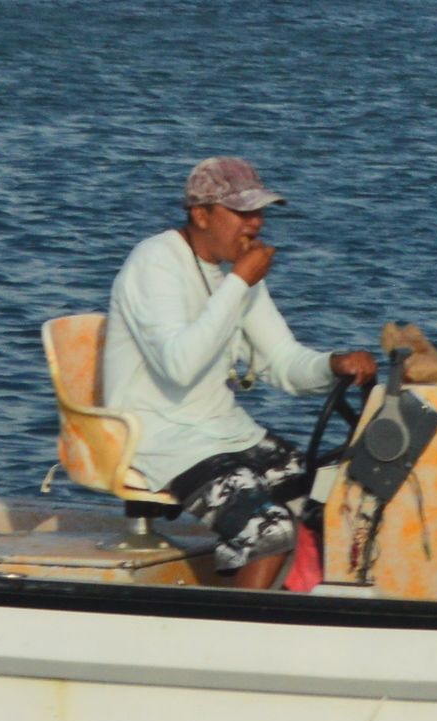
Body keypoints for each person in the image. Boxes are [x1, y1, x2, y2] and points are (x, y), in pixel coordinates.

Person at [102, 155, 382, 589]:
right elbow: (179, 366)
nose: (255, 224)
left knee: (333, 499)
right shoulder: (154, 263)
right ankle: (238, 635)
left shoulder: (238, 276)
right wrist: (239, 284)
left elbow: (284, 362)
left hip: (226, 432)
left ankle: (300, 604)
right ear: (201, 214)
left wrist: (333, 364)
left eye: (259, 213)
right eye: (242, 213)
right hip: (160, 437)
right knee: (270, 532)